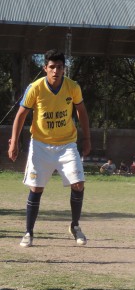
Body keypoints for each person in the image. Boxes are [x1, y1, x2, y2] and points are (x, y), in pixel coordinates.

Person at [7, 49, 91, 247]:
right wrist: (14, 141)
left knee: (78, 183)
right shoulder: (35, 88)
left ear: (64, 69)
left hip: (67, 144)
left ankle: (75, 226)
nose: (55, 71)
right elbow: (20, 115)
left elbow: (82, 112)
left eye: (59, 67)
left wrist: (86, 138)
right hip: (41, 144)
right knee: (36, 188)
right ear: (45, 68)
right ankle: (28, 232)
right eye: (52, 67)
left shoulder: (73, 87)